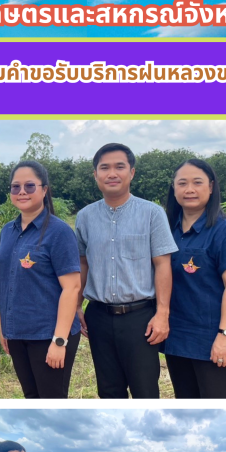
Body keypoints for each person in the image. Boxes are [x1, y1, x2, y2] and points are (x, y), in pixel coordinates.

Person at [76, 143, 177, 399]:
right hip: (98, 315)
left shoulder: (152, 213)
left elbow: (162, 264)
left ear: (131, 173)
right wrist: (76, 306)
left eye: (119, 167)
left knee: (145, 390)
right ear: (95, 175)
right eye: (104, 168)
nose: (112, 173)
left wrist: (162, 314)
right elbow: (82, 263)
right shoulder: (85, 217)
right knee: (108, 391)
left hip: (140, 318)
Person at [162, 159, 226, 399]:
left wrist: (225, 336)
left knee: (216, 405)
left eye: (197, 182)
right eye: (182, 183)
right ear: (174, 188)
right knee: (186, 402)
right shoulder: (168, 230)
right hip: (177, 336)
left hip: (211, 338)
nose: (189, 189)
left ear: (211, 187)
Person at [0, 161, 82, 399]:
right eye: (15, 187)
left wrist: (59, 341)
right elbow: (6, 281)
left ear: (44, 190)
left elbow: (72, 287)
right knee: (31, 398)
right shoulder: (7, 230)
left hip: (47, 335)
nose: (22, 192)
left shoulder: (59, 232)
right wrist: (4, 327)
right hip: (17, 333)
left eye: (29, 186)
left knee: (51, 401)